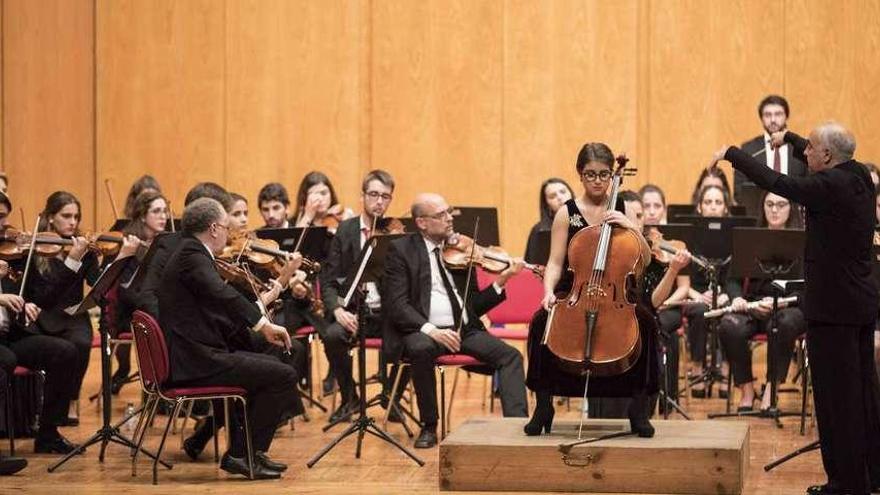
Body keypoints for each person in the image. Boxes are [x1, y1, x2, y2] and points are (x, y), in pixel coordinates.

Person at [715, 121, 880, 495]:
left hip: (833, 308)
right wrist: (788, 138)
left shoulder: (828, 186)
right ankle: (871, 473)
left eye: (809, 150)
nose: (804, 154)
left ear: (826, 156)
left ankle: (847, 482)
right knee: (863, 393)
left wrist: (732, 154)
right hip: (858, 304)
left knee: (837, 398)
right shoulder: (857, 175)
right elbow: (820, 150)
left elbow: (778, 183)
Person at [158, 197, 298, 480]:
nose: (228, 232)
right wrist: (262, 325)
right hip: (196, 361)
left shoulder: (191, 253)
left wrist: (258, 316)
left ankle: (248, 452)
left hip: (197, 353)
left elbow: (217, 308)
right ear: (213, 228)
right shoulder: (191, 256)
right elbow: (223, 295)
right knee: (282, 375)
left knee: (273, 364)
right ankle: (242, 455)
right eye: (225, 226)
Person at [524, 142, 657, 438]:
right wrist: (547, 292)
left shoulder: (622, 207)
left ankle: (638, 407)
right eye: (590, 175)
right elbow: (556, 262)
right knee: (540, 322)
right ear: (579, 175)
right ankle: (544, 405)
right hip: (574, 289)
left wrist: (631, 227)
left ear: (612, 175)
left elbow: (646, 258)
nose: (597, 181)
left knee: (646, 324)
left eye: (603, 175)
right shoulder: (566, 213)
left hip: (615, 291)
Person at [383, 192, 528, 449]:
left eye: (449, 212)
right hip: (423, 331)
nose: (449, 218)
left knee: (511, 357)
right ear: (422, 222)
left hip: (465, 331)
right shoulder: (401, 251)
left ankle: (516, 427)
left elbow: (472, 306)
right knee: (420, 348)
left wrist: (502, 281)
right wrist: (431, 330)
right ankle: (429, 425)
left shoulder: (461, 250)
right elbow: (397, 305)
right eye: (441, 215)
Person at [0, 191, 82, 455]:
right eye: (0, 217)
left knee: (66, 351)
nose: (5, 225)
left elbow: (27, 293)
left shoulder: (12, 253)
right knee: (5, 361)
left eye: (5, 217)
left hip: (10, 334)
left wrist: (24, 304)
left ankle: (48, 433)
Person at [319, 170, 402, 423]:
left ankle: (393, 398)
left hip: (387, 312)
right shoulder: (345, 230)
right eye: (374, 195)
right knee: (332, 336)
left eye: (385, 197)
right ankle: (349, 397)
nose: (379, 202)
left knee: (414, 337)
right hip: (355, 310)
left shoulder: (396, 231)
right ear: (363, 196)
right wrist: (337, 310)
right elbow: (329, 278)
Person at [717, 190, 806, 412]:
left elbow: (811, 286)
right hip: (754, 305)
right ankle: (747, 388)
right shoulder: (751, 239)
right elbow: (732, 279)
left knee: (781, 324)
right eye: (769, 204)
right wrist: (737, 297)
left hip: (790, 306)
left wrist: (781, 303)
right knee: (730, 325)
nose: (775, 210)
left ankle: (771, 388)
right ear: (763, 207)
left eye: (781, 204)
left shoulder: (804, 241)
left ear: (791, 208)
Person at [24, 192, 101, 425]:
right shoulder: (37, 250)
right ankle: (47, 405)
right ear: (50, 217)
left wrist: (104, 258)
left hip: (73, 313)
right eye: (66, 216)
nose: (73, 222)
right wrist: (72, 260)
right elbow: (45, 297)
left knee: (81, 343)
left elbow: (97, 283)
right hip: (44, 314)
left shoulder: (81, 246)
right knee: (60, 348)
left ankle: (71, 400)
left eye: (76, 217)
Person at [108, 190, 169, 394]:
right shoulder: (129, 242)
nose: (163, 216)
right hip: (130, 313)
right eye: (157, 211)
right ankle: (157, 389)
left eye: (165, 211)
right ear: (143, 215)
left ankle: (168, 387)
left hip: (154, 308)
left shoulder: (165, 242)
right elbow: (126, 291)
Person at [734, 95, 807, 206]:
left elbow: (810, 185)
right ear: (762, 118)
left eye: (778, 114)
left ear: (786, 116)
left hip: (796, 215)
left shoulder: (801, 147)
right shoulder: (749, 150)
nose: (773, 120)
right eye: (768, 115)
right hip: (760, 215)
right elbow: (740, 190)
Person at [524, 178, 574, 264]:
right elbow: (534, 267)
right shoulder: (539, 231)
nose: (559, 197)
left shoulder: (587, 222)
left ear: (571, 194)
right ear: (548, 205)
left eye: (563, 192)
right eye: (552, 196)